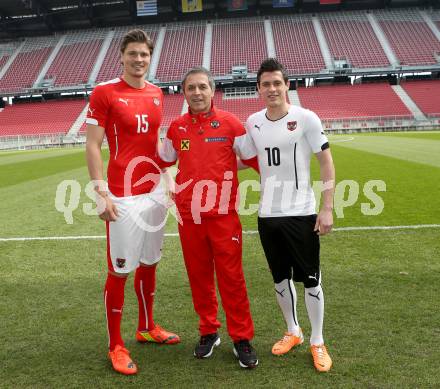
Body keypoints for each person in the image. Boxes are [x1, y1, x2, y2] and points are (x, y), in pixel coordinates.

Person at [85, 29, 179, 376]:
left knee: (150, 262)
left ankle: (147, 327)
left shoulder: (156, 93)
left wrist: (167, 178)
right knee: (120, 270)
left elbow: (155, 141)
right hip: (121, 194)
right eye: (133, 54)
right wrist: (100, 192)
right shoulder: (104, 92)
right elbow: (93, 145)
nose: (139, 60)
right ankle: (115, 345)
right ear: (121, 56)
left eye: (144, 55)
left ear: (150, 58)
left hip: (153, 191)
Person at [158, 67, 258, 369]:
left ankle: (241, 338)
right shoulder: (176, 128)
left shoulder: (231, 124)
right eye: (191, 88)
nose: (197, 93)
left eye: (203, 87)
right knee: (199, 277)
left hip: (224, 216)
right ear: (184, 93)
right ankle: (208, 331)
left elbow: (255, 160)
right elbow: (164, 161)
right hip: (189, 217)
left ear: (212, 91)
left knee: (232, 278)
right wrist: (169, 186)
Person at [244, 58, 335, 372]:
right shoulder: (252, 121)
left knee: (311, 280)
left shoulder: (306, 118)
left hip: (302, 213)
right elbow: (240, 156)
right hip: (268, 215)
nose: (271, 88)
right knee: (280, 279)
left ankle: (317, 340)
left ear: (286, 86)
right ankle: (293, 331)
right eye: (265, 84)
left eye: (276, 83)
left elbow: (325, 162)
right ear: (258, 89)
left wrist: (326, 208)